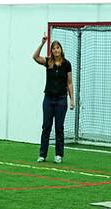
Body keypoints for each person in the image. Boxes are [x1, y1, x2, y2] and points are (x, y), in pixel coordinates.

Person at [32, 33, 74, 163]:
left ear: (61, 50)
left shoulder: (67, 64)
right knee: (46, 127)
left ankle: (58, 155)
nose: (56, 50)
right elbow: (35, 57)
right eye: (53, 48)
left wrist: (72, 99)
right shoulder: (48, 62)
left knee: (59, 128)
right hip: (48, 99)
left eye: (58, 48)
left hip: (61, 99)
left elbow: (69, 82)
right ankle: (42, 155)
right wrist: (43, 43)